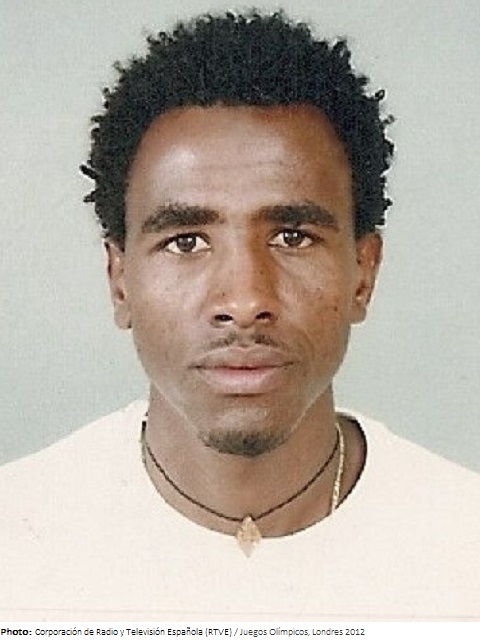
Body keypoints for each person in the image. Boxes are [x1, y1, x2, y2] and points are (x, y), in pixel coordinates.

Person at [1, 10, 479, 621]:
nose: (245, 301)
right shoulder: (16, 539)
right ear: (120, 281)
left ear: (364, 272)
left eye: (292, 236)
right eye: (186, 241)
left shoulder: (463, 545)